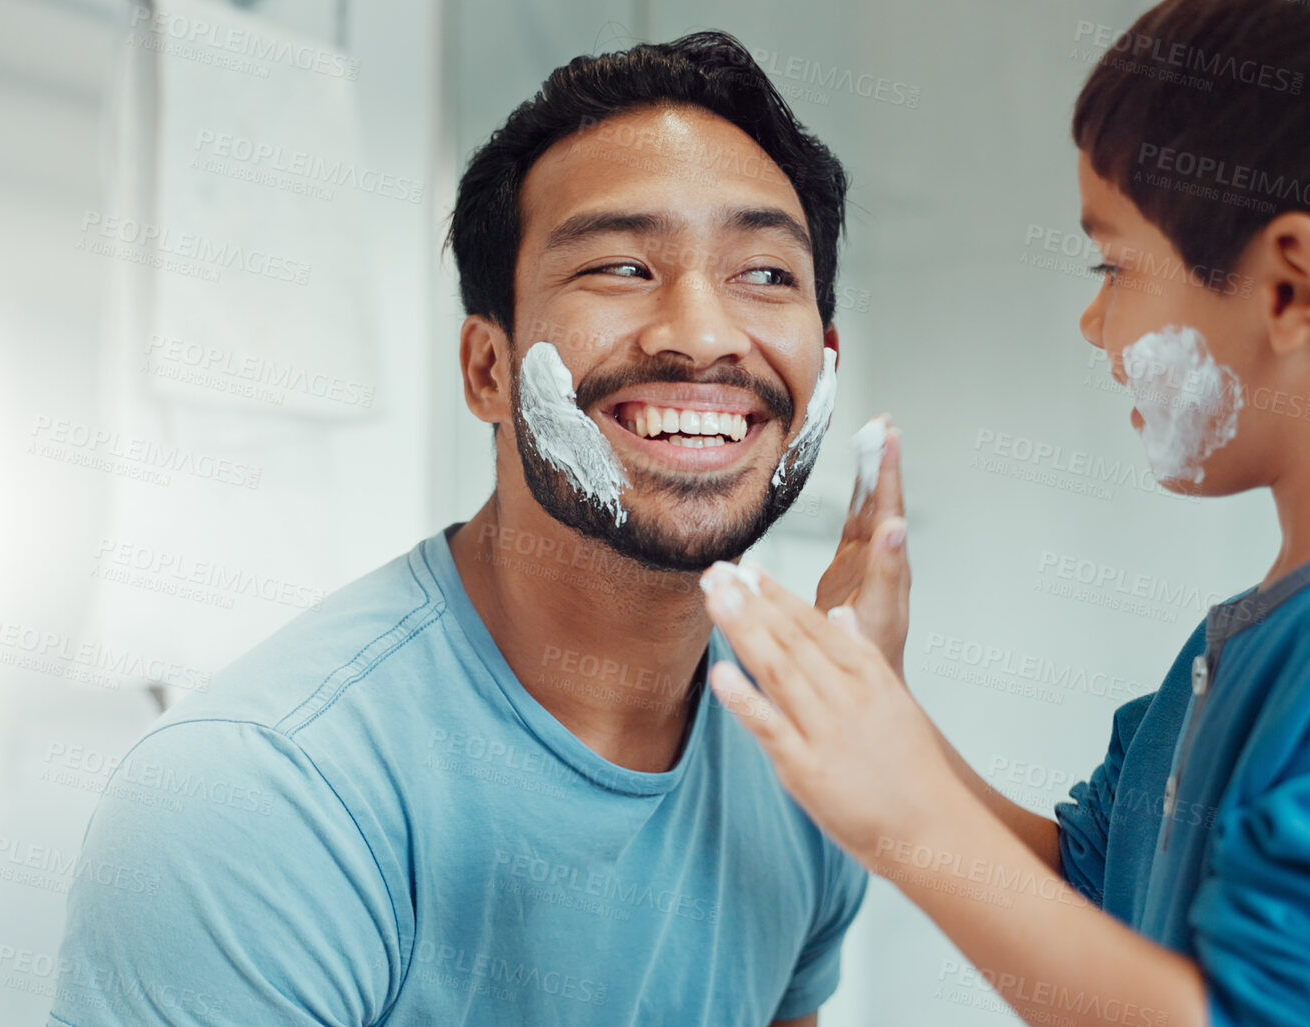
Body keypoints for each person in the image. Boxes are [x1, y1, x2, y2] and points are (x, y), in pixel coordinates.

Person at [699, 1, 1310, 1024]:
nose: (1093, 320)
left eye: (1113, 265)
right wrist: (882, 713)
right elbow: (1095, 913)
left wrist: (913, 820)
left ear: (1294, 289)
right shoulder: (1266, 636)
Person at [48, 32, 866, 1026]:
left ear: (821, 362)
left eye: (766, 274)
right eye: (620, 264)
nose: (701, 334)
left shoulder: (811, 747)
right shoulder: (257, 794)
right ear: (487, 368)